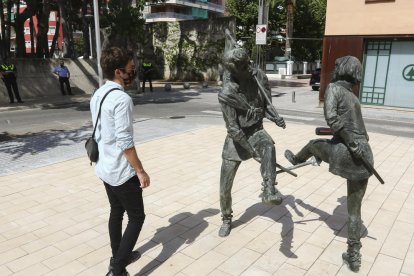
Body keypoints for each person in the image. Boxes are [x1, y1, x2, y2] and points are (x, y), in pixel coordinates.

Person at [284, 56, 374, 272]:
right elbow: (358, 129)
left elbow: (332, 120)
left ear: (343, 70)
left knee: (314, 144)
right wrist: (356, 142)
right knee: (354, 212)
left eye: (336, 65)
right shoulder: (353, 97)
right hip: (365, 155)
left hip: (346, 151)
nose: (333, 68)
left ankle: (297, 159)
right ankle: (354, 254)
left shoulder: (334, 88)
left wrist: (349, 142)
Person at [217, 35, 286, 237]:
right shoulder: (228, 93)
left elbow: (267, 106)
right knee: (224, 187)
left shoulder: (259, 77)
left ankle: (269, 188)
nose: (249, 69)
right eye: (244, 68)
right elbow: (233, 129)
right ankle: (226, 218)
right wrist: (251, 151)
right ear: (234, 72)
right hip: (236, 139)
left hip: (256, 131)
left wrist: (275, 118)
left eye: (248, 64)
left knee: (269, 147)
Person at [90, 47, 150, 276]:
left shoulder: (98, 94)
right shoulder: (121, 99)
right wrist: (140, 171)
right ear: (118, 71)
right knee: (137, 217)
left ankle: (119, 255)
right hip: (121, 171)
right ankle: (117, 269)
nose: (133, 73)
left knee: (116, 211)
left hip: (104, 167)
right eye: (131, 70)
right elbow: (125, 142)